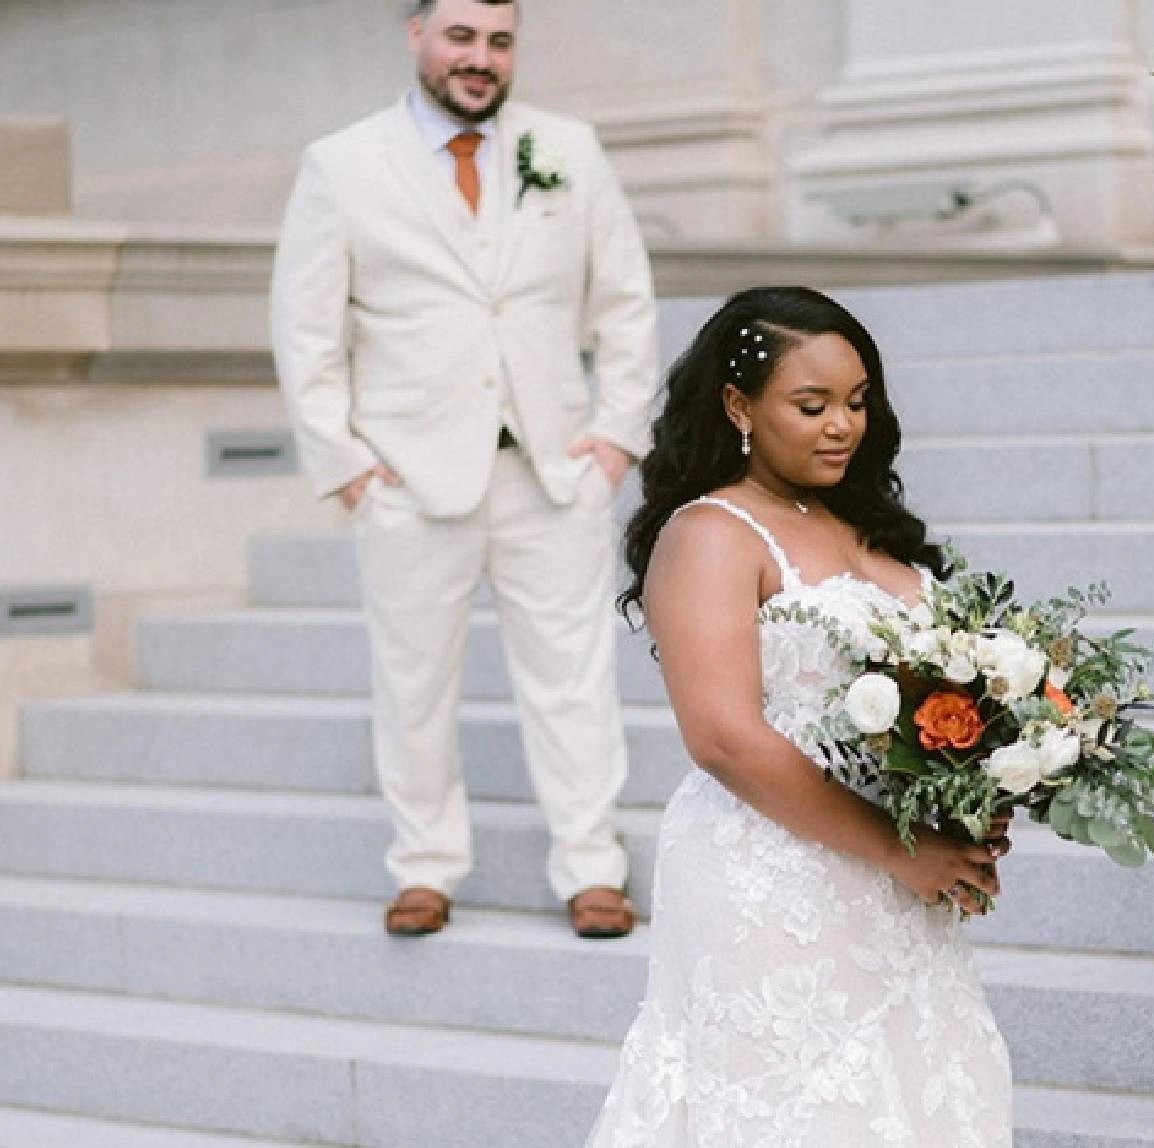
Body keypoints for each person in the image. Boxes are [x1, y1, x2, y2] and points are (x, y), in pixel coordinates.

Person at [586, 286, 1013, 1144]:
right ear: (739, 404)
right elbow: (724, 739)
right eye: (811, 405)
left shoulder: (862, 522)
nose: (842, 427)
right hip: (771, 874)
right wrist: (905, 847)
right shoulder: (711, 532)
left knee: (914, 1091)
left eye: (857, 403)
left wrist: (980, 784)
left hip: (895, 880)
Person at [270, 0, 657, 940]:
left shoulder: (570, 147)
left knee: (573, 676)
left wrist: (615, 437)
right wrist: (351, 468)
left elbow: (627, 301)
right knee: (413, 683)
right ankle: (426, 864)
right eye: (461, 37)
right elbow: (305, 330)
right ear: (417, 37)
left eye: (498, 41)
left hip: (552, 466)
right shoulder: (343, 164)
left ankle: (592, 865)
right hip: (408, 476)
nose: (479, 59)